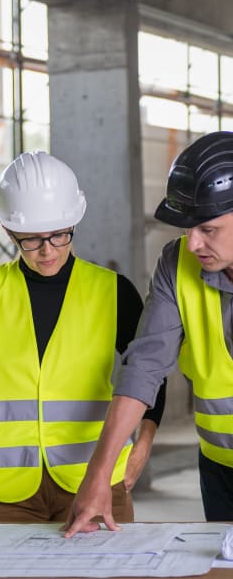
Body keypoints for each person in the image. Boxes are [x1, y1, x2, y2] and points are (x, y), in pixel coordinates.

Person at [0, 151, 166, 524]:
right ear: (8, 231)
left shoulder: (111, 291)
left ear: (73, 223)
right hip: (5, 492)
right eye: (31, 240)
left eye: (59, 235)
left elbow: (151, 374)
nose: (48, 250)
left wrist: (142, 446)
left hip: (95, 482)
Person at [63, 130, 233, 536]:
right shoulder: (177, 263)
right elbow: (143, 367)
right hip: (220, 470)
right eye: (188, 229)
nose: (192, 243)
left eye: (207, 229)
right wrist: (98, 475)